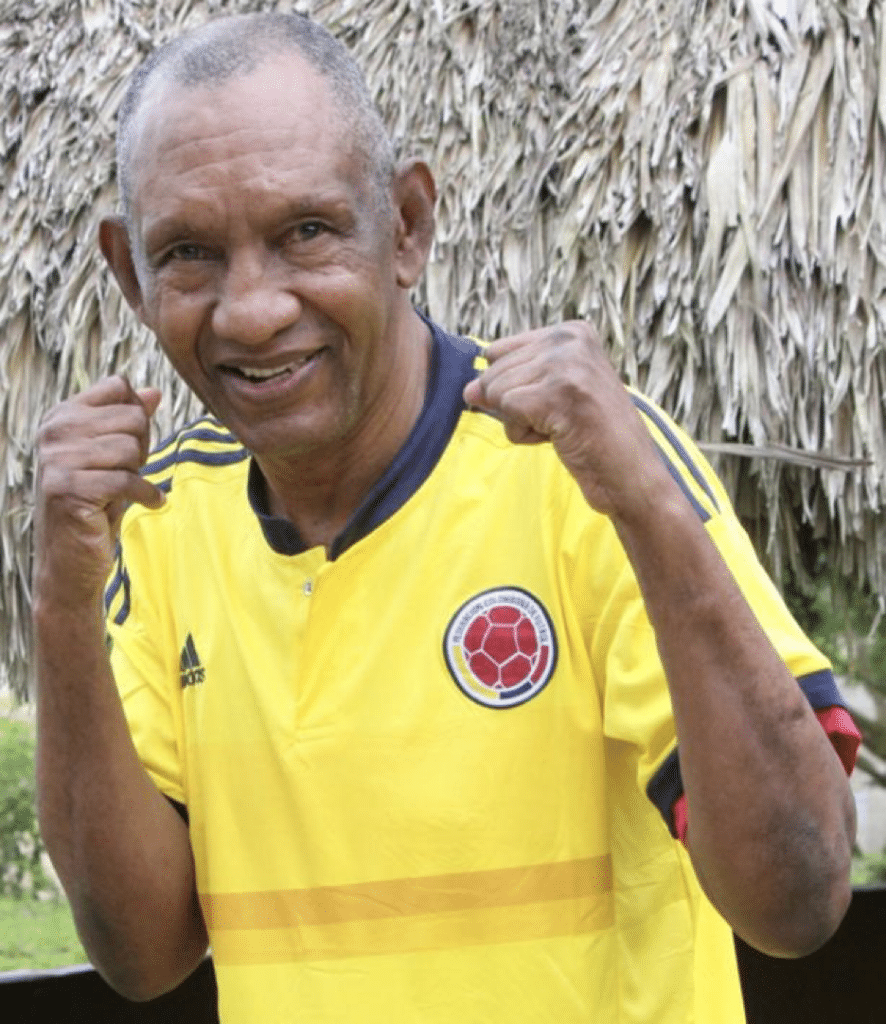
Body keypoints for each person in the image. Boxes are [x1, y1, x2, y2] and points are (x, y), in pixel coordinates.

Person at [33, 12, 859, 1024]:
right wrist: (61, 606)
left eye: (306, 232)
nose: (251, 309)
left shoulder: (586, 465)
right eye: (190, 253)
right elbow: (143, 954)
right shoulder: (157, 521)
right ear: (130, 274)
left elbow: (796, 900)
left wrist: (648, 506)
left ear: (407, 226)